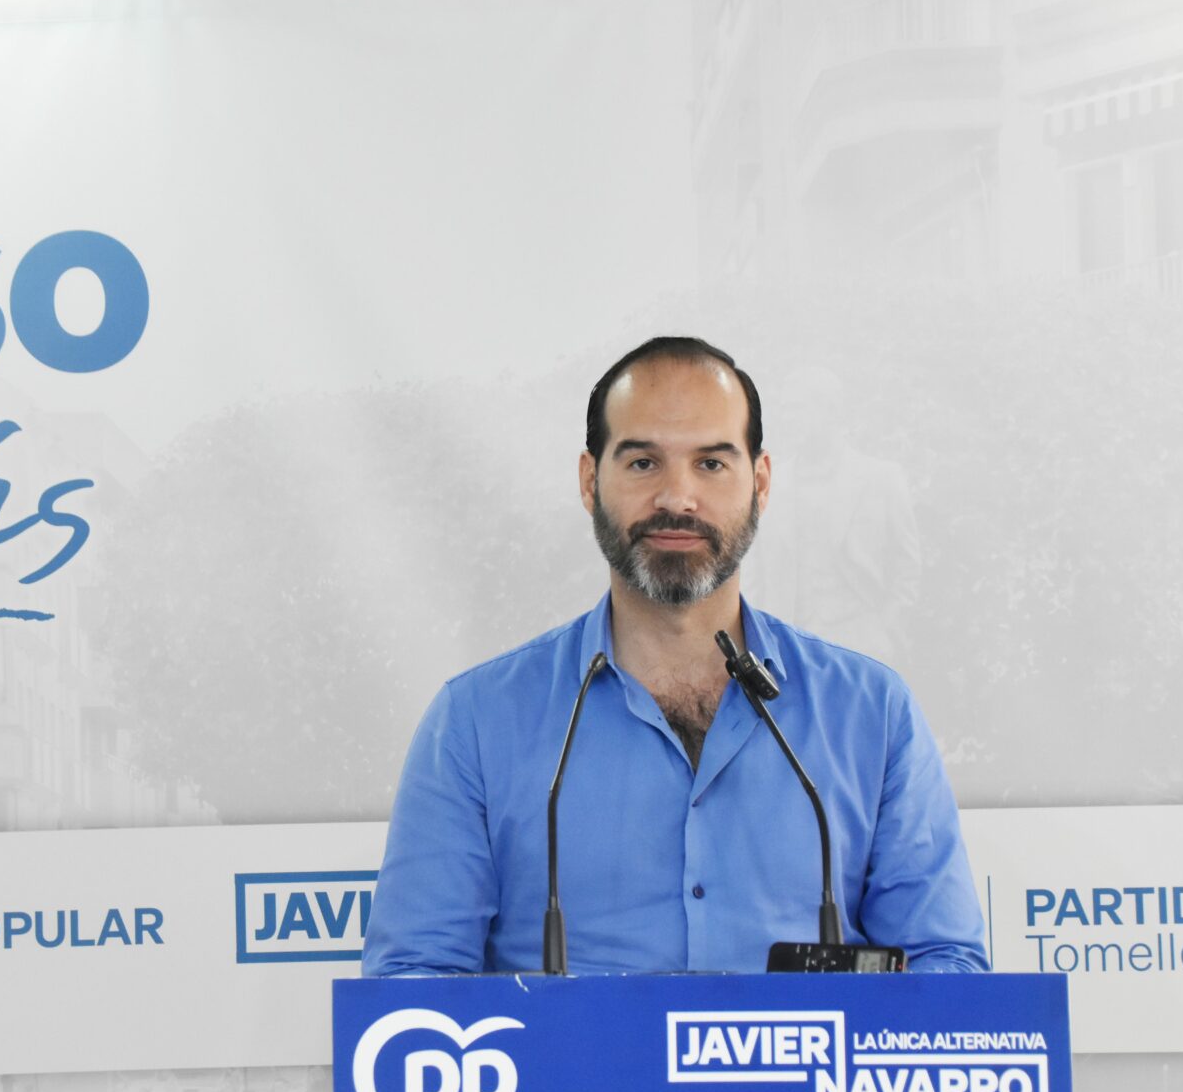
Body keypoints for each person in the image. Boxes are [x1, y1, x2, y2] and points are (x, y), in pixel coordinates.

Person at [362, 336, 986, 976]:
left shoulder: (871, 712)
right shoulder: (476, 721)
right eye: (643, 463)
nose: (678, 498)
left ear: (760, 483)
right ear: (590, 481)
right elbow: (414, 984)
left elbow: (946, 966)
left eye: (711, 463)